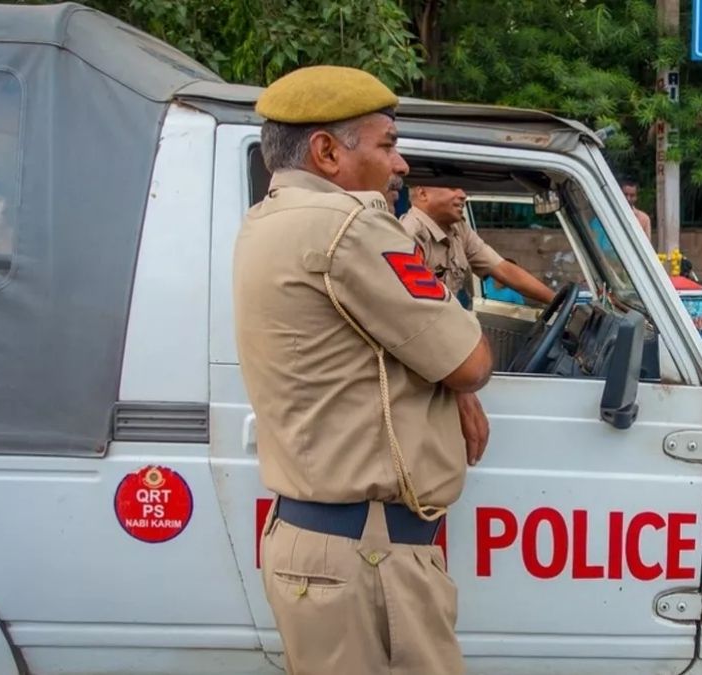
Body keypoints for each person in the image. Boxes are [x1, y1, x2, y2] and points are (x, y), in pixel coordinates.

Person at [232, 65, 494, 675]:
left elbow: (369, 353)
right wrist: (454, 381)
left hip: (323, 544)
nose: (402, 165)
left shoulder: (267, 219)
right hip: (367, 557)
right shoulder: (349, 226)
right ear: (326, 151)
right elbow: (471, 361)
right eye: (388, 144)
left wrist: (446, 382)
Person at [401, 185, 556, 307]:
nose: (463, 195)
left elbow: (504, 269)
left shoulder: (458, 229)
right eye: (452, 188)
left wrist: (556, 301)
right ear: (423, 194)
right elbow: (416, 310)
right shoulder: (409, 236)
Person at [620, 178, 652, 243]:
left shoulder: (644, 219)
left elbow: (647, 244)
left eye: (632, 195)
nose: (628, 199)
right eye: (625, 194)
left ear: (636, 197)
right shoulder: (610, 214)